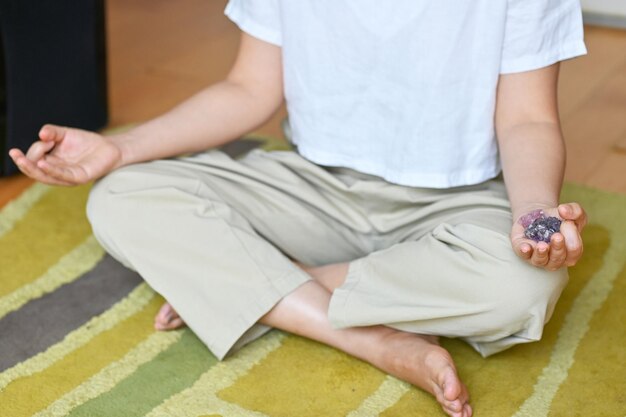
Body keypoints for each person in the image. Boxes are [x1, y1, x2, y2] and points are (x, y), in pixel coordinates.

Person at [8, 1, 589, 416]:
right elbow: (248, 90)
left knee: (524, 285)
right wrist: (120, 148)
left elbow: (528, 120)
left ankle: (263, 292)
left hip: (455, 202)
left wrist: (533, 215)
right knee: (120, 197)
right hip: (311, 186)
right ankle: (372, 339)